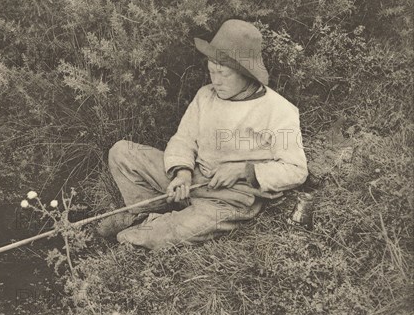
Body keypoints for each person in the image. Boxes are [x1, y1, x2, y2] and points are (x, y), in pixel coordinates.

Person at [96, 19, 308, 249]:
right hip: (196, 179)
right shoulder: (205, 95)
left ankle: (150, 229)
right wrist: (182, 173)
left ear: (245, 73)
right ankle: (143, 212)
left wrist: (243, 170)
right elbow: (184, 139)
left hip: (230, 200)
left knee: (160, 235)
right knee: (121, 152)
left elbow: (296, 170)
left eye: (223, 74)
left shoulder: (278, 110)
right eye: (211, 71)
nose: (215, 81)